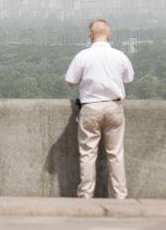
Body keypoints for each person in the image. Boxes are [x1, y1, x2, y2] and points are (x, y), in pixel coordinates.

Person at [65, 19, 134, 199]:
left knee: (88, 153)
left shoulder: (83, 56)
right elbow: (128, 79)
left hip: (91, 106)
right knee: (116, 154)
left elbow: (70, 81)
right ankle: (120, 195)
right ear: (108, 35)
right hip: (114, 106)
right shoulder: (119, 56)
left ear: (90, 36)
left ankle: (86, 194)